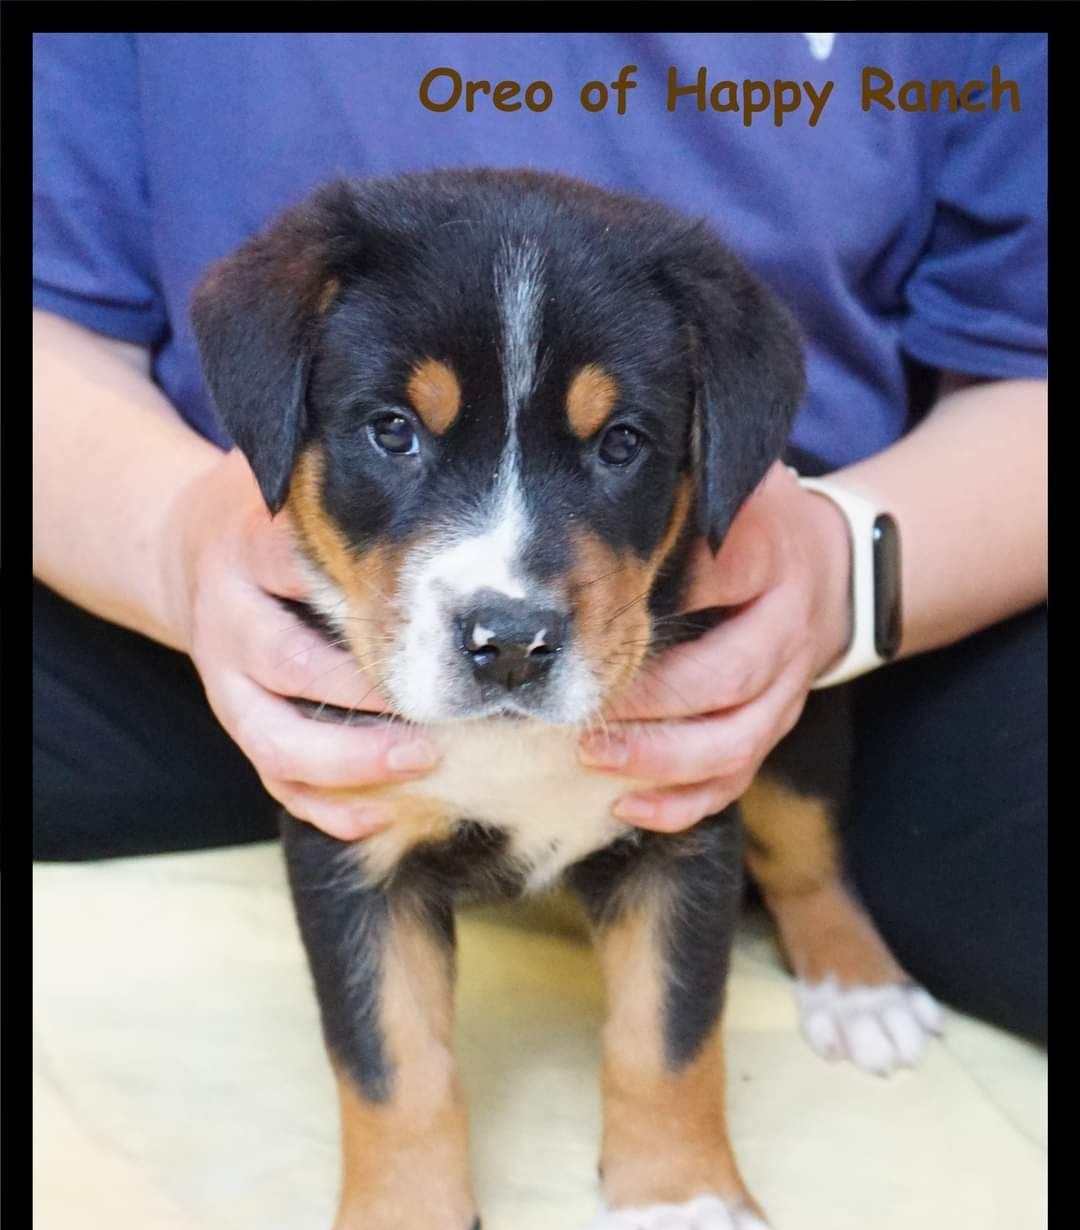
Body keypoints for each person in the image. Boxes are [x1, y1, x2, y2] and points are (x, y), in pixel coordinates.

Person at [33, 32, 1047, 1043]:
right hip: (232, 605)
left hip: (793, 602)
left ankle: (810, 886)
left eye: (616, 440)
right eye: (398, 429)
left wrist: (844, 575)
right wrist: (167, 542)